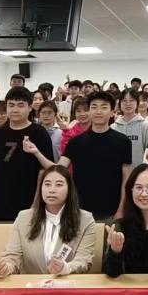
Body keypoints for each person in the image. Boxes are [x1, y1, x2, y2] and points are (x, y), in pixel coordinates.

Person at [0, 87, 56, 221]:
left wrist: (37, 202)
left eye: (20, 105)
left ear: (30, 107)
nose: (15, 109)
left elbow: (46, 170)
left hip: (30, 203)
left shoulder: (39, 133)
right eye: (11, 105)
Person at [0, 165, 97, 277]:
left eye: (59, 185)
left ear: (69, 189)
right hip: (31, 285)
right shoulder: (24, 218)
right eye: (47, 184)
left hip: (66, 284)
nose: (51, 190)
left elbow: (83, 260)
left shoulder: (85, 220)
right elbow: (12, 256)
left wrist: (66, 268)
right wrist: (6, 267)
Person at [60, 92, 133, 220]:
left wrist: (121, 209)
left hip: (112, 211)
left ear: (112, 112)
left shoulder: (123, 141)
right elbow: (59, 168)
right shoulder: (75, 142)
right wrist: (37, 153)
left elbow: (127, 178)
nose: (98, 111)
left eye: (104, 107)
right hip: (79, 211)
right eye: (94, 107)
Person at [113, 90, 148, 166]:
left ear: (137, 103)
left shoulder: (144, 125)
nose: (128, 104)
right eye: (124, 100)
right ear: (120, 103)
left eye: (131, 100)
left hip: (139, 170)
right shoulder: (113, 127)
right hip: (117, 171)